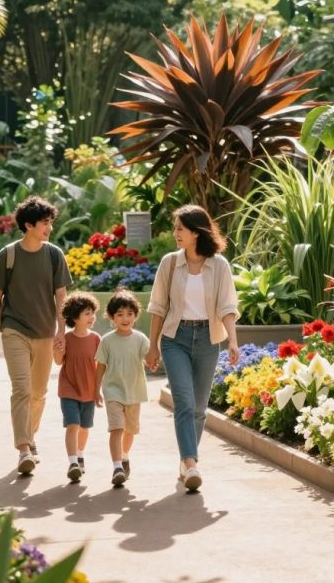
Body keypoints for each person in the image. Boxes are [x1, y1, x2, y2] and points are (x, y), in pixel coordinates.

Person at [146, 204, 239, 492]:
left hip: (208, 339)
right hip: (176, 338)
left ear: (196, 232)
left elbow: (227, 306)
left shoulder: (219, 266)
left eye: (180, 229)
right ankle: (190, 462)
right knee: (184, 402)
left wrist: (232, 340)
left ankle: (187, 463)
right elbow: (158, 307)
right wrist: (153, 346)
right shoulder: (170, 263)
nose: (175, 233)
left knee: (199, 409)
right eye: (175, 228)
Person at [0, 195, 72, 476]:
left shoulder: (54, 255)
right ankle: (23, 448)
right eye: (44, 223)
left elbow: (61, 297)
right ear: (28, 225)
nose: (49, 228)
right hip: (14, 330)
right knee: (21, 389)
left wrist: (62, 331)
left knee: (38, 394)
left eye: (50, 223)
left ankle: (30, 438)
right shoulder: (8, 255)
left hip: (45, 332)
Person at [94, 288, 150, 487]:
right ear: (111, 317)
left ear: (136, 316)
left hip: (134, 391)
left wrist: (153, 362)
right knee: (116, 428)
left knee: (130, 430)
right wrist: (96, 390)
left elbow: (149, 358)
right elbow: (100, 366)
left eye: (129, 314)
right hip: (113, 391)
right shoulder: (107, 341)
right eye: (120, 314)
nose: (125, 318)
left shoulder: (141, 339)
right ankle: (117, 466)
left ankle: (124, 456)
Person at [53, 292, 100, 484]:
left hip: (89, 390)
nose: (91, 317)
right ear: (74, 317)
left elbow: (101, 366)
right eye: (87, 313)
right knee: (72, 424)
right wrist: (57, 349)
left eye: (92, 313)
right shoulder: (66, 338)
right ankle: (73, 463)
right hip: (69, 388)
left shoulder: (96, 339)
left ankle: (80, 455)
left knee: (84, 427)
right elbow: (58, 361)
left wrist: (99, 390)